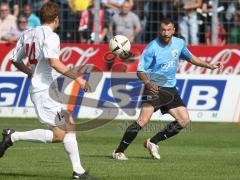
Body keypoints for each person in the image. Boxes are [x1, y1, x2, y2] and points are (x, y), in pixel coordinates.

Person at [0, 2, 94, 179]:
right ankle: (13, 136)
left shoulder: (27, 33)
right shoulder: (51, 37)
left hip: (45, 90)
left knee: (69, 125)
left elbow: (15, 60)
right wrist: (78, 78)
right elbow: (54, 62)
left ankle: (78, 171)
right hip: (43, 91)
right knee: (59, 134)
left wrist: (30, 72)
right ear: (56, 19)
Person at [112, 18, 223, 160]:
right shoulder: (152, 47)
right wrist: (147, 84)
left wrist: (209, 65)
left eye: (169, 30)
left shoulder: (179, 43)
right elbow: (140, 71)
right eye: (163, 30)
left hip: (170, 88)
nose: (166, 33)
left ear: (174, 30)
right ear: (160, 30)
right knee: (143, 121)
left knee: (184, 120)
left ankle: (152, 142)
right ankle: (119, 152)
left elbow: (191, 58)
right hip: (154, 87)